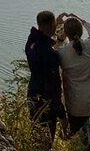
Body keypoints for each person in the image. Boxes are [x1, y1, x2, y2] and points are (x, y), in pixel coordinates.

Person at [57, 13, 90, 133]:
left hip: (77, 108)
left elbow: (52, 51)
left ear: (66, 33)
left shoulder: (62, 53)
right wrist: (82, 21)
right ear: (81, 30)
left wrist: (60, 37)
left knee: (79, 140)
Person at [25, 10, 63, 141]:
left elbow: (44, 37)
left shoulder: (31, 42)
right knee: (46, 137)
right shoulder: (50, 54)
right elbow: (55, 83)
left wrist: (55, 27)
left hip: (32, 92)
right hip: (46, 100)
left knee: (35, 131)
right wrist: (60, 111)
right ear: (51, 25)